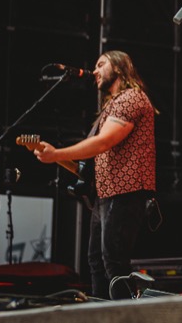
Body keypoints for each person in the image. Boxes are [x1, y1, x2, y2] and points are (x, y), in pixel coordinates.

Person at [31, 50, 157, 298]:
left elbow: (103, 142)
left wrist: (57, 153)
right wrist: (54, 156)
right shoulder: (112, 105)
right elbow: (88, 164)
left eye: (101, 65)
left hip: (125, 191)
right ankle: (100, 311)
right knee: (97, 262)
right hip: (106, 193)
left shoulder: (131, 98)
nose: (95, 71)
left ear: (118, 68)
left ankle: (122, 314)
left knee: (114, 262)